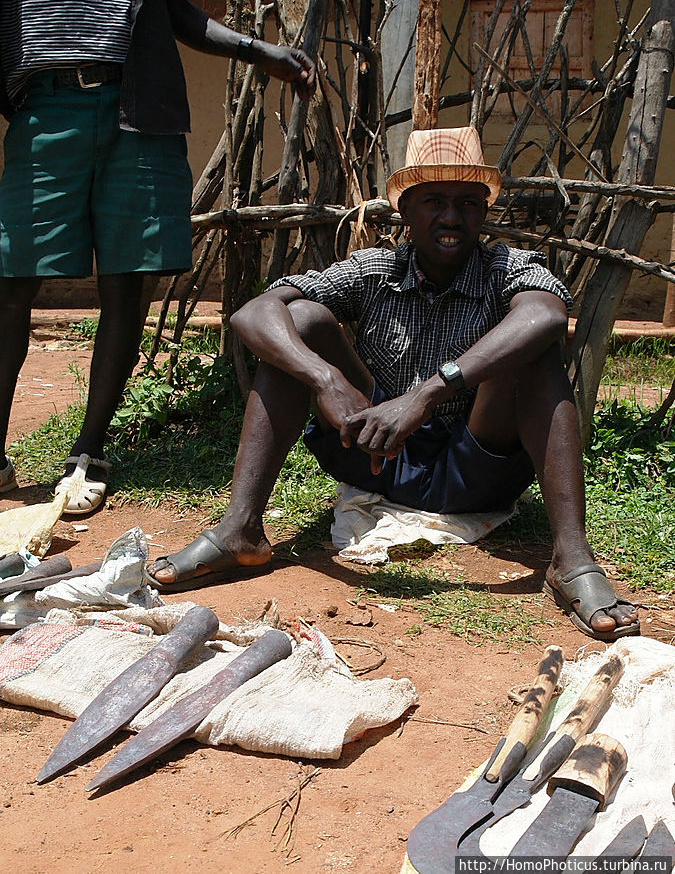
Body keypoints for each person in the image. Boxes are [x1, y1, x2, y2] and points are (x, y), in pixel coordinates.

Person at [149, 126, 640, 641]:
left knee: (533, 349)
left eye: (468, 204)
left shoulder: (506, 269)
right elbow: (253, 314)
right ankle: (240, 530)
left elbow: (545, 316)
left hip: (473, 469)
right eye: (434, 201)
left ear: (484, 212)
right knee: (303, 322)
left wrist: (427, 394)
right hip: (374, 453)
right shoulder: (374, 270)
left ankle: (571, 558)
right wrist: (326, 378)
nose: (452, 218)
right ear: (404, 209)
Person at [0, 0, 315, 514]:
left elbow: (177, 12)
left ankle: (88, 452)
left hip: (139, 106)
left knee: (128, 282)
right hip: (44, 108)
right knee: (10, 282)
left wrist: (256, 50)